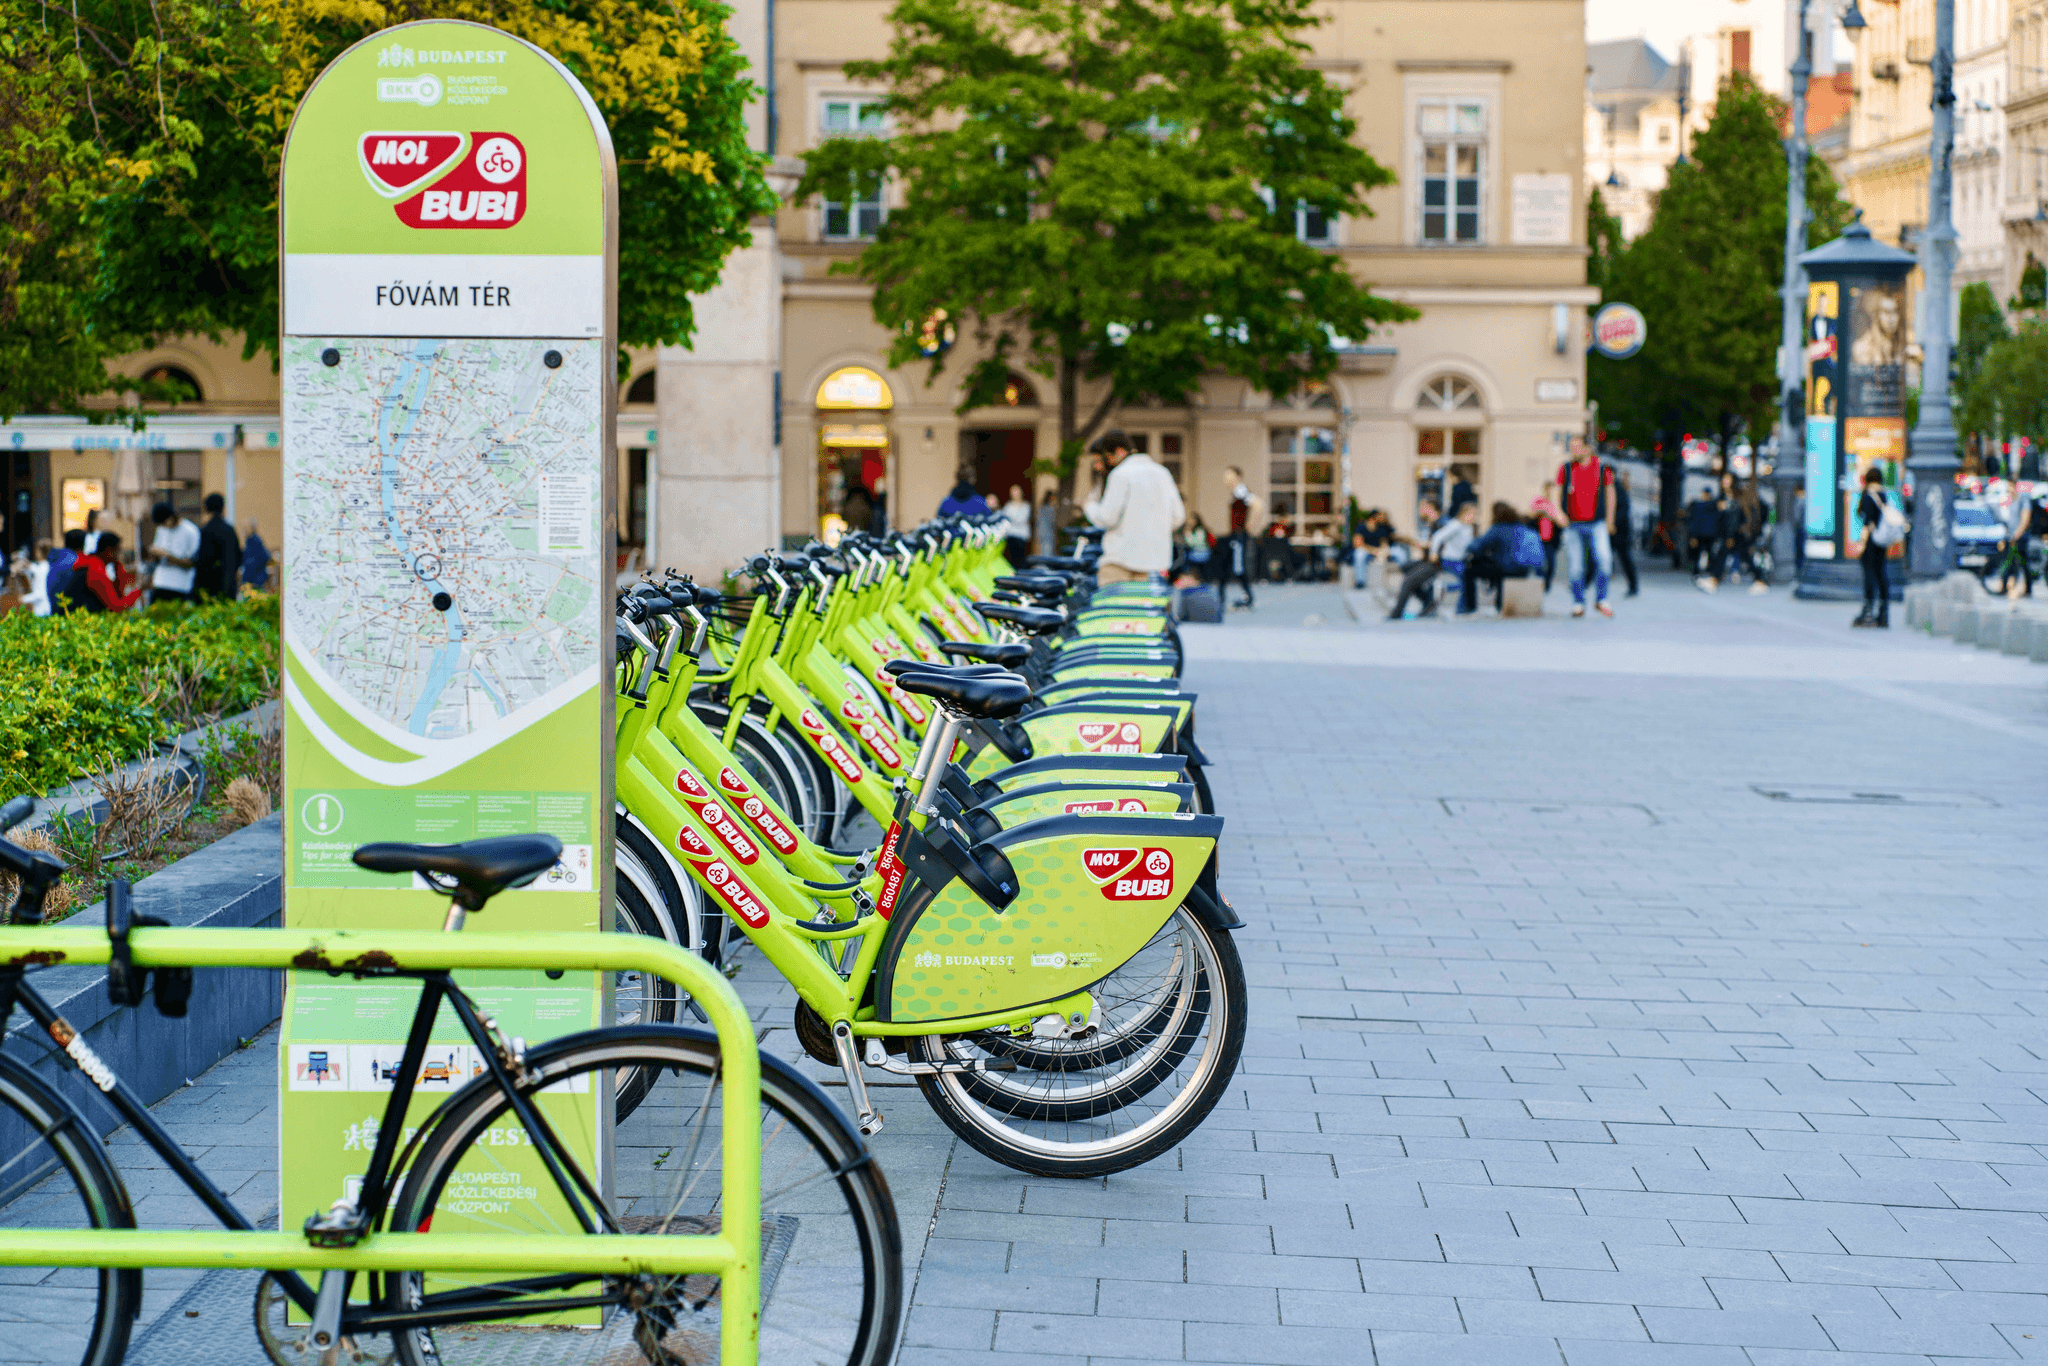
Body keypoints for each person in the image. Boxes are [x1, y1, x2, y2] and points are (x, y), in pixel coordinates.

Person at [1082, 429, 1184, 584]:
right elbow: (1178, 517)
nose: (1105, 463)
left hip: (1119, 563)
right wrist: (1152, 530)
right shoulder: (1163, 473)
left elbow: (1106, 518)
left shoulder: (1120, 474)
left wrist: (1088, 506)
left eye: (1107, 457)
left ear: (1119, 452)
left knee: (1114, 607)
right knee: (1144, 607)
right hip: (1152, 565)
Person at [1555, 436, 1617, 617]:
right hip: (1573, 524)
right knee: (1576, 567)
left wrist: (1610, 520)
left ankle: (1601, 598)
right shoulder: (1566, 469)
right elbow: (1556, 492)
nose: (1573, 450)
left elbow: (1610, 494)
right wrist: (1558, 513)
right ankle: (1578, 602)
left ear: (1587, 448)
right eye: (1571, 447)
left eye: (1577, 447)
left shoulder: (1601, 468)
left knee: (1604, 560)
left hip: (1597, 523)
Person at [1388, 500, 1476, 620]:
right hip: (1436, 560)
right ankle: (1428, 600)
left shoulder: (1446, 523)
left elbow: (1438, 540)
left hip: (1440, 562)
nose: (1419, 510)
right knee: (1405, 567)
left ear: (1430, 507)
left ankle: (1398, 613)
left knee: (1410, 580)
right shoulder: (1440, 523)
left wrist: (1428, 549)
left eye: (1422, 507)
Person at [1458, 503, 1545, 614]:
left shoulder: (1498, 528)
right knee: (1499, 570)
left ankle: (1469, 606)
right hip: (1523, 569)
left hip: (1504, 569)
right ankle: (1500, 604)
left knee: (1469, 571)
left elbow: (1477, 546)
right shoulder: (1521, 527)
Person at [59, 532, 144, 614]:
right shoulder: (95, 569)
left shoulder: (93, 563)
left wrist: (118, 567)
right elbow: (115, 607)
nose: (120, 554)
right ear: (109, 551)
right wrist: (139, 590)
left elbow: (117, 596)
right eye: (118, 550)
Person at [1854, 466, 1894, 628]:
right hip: (1882, 540)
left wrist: (1862, 544)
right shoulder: (1884, 495)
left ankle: (1868, 611)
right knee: (1881, 574)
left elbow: (1867, 522)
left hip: (1871, 539)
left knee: (1869, 574)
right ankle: (1883, 613)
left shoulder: (1868, 494)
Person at [1217, 465, 1260, 609]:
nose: (1226, 479)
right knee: (1225, 565)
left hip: (1239, 536)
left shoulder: (1241, 491)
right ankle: (1221, 597)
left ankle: (1248, 597)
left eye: (1228, 475)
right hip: (1234, 536)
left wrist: (1249, 526)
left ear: (1236, 477)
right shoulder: (1235, 492)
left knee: (1238, 567)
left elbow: (1258, 505)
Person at [146, 501, 200, 605]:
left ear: (171, 517)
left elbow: (191, 563)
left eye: (164, 522)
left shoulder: (190, 531)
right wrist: (154, 555)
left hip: (181, 586)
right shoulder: (161, 529)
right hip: (160, 583)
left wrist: (166, 555)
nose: (164, 526)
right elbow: (157, 556)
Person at [193, 492, 242, 600]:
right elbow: (238, 556)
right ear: (223, 507)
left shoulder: (205, 530)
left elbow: (203, 560)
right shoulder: (229, 530)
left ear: (206, 508)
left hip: (210, 585)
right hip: (229, 583)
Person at [1684, 482, 1725, 589]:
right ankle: (1705, 572)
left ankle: (1700, 573)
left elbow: (1693, 520)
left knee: (1703, 554)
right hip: (1706, 534)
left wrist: (1692, 535)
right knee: (1706, 554)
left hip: (1704, 534)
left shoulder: (1698, 505)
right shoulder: (1713, 506)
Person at [1608, 466, 1639, 597]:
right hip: (1610, 529)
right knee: (1598, 558)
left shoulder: (1618, 489)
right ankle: (1586, 583)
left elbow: (1623, 511)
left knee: (1625, 559)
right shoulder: (1606, 489)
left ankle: (1633, 586)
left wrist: (1612, 523)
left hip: (1620, 531)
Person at [2011, 491, 2048, 596]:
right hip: (2035, 537)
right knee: (2025, 562)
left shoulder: (2034, 507)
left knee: (2025, 562)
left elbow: (2026, 521)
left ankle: (2028, 585)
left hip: (2032, 537)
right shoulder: (2038, 507)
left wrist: (2016, 535)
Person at [1530, 484, 1564, 592]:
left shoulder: (1557, 504)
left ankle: (1547, 584)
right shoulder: (1539, 501)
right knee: (1539, 564)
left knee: (1551, 564)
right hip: (1539, 539)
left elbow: (1561, 521)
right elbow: (1532, 514)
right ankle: (1540, 583)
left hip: (1551, 540)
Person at [45, 530, 83, 608]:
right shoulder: (75, 562)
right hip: (68, 612)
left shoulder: (58, 558)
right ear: (83, 544)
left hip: (55, 611)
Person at [998, 483, 1033, 568]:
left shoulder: (1026, 506)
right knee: (1011, 559)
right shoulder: (1008, 505)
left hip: (1021, 536)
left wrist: (1011, 518)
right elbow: (1004, 518)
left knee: (1021, 559)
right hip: (1010, 535)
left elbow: (1021, 519)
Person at [242, 518, 273, 591]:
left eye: (246, 528)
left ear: (252, 528)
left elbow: (265, 557)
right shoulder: (249, 541)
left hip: (256, 578)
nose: (244, 531)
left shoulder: (255, 540)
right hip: (250, 577)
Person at [1035, 487, 1059, 557]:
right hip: (1048, 534)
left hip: (1041, 533)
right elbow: (1052, 522)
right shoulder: (1050, 509)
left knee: (1044, 552)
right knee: (1048, 553)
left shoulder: (1040, 507)